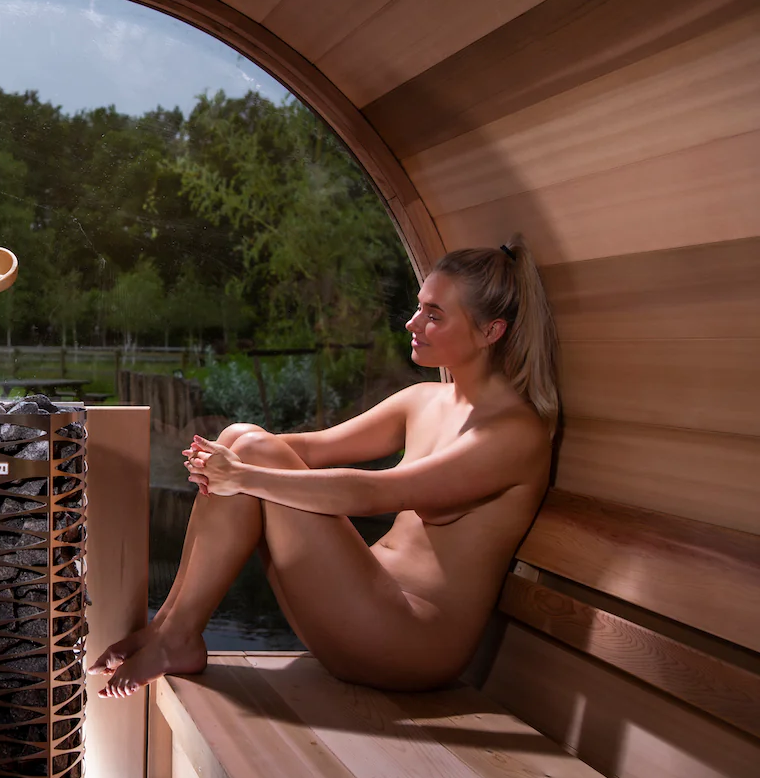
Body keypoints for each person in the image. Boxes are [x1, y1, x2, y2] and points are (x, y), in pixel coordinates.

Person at [92, 236, 558, 696]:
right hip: (360, 607)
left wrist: (244, 472)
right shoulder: (424, 401)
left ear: (490, 332)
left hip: (412, 643)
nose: (413, 323)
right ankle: (170, 630)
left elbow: (378, 493)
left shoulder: (513, 434)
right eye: (419, 306)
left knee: (251, 454)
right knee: (243, 437)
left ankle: (175, 636)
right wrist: (219, 453)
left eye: (434, 315)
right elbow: (311, 448)